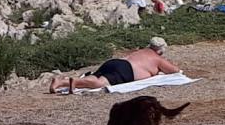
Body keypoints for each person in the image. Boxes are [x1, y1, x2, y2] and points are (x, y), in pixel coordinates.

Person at [49, 37, 178, 93]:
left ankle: (60, 82)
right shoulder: (156, 57)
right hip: (126, 70)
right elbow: (174, 71)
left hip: (115, 62)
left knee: (94, 78)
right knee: (100, 83)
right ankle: (75, 81)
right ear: (160, 50)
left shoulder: (141, 51)